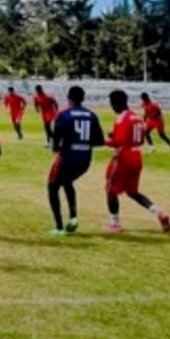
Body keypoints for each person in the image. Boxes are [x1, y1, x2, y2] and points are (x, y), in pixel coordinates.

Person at [104, 91, 170, 234]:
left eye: (112, 103)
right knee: (133, 192)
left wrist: (102, 141)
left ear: (117, 102)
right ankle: (159, 213)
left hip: (123, 157)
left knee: (110, 189)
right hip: (137, 156)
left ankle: (115, 223)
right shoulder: (137, 117)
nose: (112, 107)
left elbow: (117, 142)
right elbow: (140, 139)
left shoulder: (122, 118)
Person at [46, 86, 104, 237]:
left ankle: (59, 227)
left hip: (68, 157)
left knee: (52, 186)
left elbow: (56, 140)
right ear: (83, 98)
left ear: (68, 98)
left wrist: (57, 147)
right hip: (85, 159)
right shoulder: (92, 115)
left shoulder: (64, 114)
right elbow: (99, 141)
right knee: (67, 181)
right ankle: (73, 217)